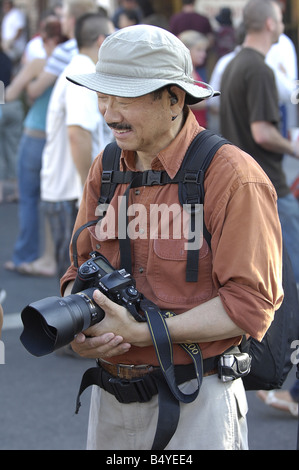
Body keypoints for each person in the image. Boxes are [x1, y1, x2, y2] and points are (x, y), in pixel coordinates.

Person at [61, 25, 283, 450]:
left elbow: (251, 306)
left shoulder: (233, 177)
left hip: (198, 404)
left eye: (124, 98)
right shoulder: (105, 167)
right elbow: (78, 266)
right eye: (102, 96)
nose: (108, 114)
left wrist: (148, 333)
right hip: (109, 401)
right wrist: (79, 325)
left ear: (174, 99)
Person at [220, 0, 299, 287]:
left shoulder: (233, 64)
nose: (282, 25)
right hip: (269, 184)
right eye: (279, 19)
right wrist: (294, 148)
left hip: (246, 183)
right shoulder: (258, 69)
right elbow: (262, 133)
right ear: (269, 23)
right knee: (289, 271)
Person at [38, 12, 114, 279]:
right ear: (102, 41)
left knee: (76, 276)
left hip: (69, 189)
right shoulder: (83, 72)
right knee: (73, 278)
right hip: (71, 191)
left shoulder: (81, 67)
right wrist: (88, 189)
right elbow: (77, 133)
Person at [4, 15, 64, 276]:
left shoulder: (40, 63)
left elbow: (9, 94)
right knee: (54, 200)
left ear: (48, 39)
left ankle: (25, 255)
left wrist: (28, 78)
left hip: (35, 136)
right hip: (58, 139)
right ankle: (54, 257)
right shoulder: (71, 63)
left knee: (28, 199)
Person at [26, 0, 97, 102]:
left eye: (63, 16)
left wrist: (30, 73)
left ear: (72, 20)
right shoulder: (97, 44)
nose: (61, 21)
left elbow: (34, 91)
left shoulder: (64, 50)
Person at [178, 30, 209, 127]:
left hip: (199, 126)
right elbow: (183, 101)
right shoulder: (181, 73)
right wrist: (210, 102)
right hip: (188, 128)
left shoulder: (194, 71)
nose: (203, 54)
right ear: (187, 50)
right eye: (199, 50)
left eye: (204, 50)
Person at [1, 0, 27, 73]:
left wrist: (12, 41)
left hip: (16, 46)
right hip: (9, 45)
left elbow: (20, 29)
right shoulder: (8, 15)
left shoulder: (16, 14)